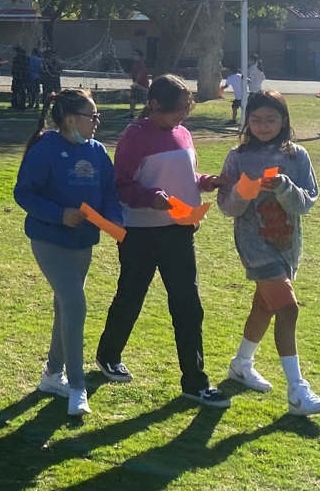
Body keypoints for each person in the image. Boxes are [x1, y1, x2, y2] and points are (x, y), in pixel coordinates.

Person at [96, 74, 231, 409]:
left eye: (185, 111)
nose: (181, 118)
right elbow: (121, 184)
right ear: (155, 105)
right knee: (131, 296)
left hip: (180, 231)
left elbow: (186, 176)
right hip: (141, 232)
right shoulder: (135, 136)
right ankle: (108, 355)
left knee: (188, 305)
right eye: (175, 113)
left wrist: (206, 181)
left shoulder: (183, 133)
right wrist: (150, 197)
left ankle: (194, 382)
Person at [217, 90, 320, 416]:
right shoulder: (238, 157)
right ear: (246, 121)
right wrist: (243, 189)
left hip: (287, 245)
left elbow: (305, 203)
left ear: (283, 121)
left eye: (270, 119)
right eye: (255, 119)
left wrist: (282, 185)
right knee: (288, 308)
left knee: (264, 307)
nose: (262, 126)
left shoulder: (297, 156)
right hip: (255, 246)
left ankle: (241, 364)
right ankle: (297, 391)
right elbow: (227, 207)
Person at [14, 88, 122, 416]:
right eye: (92, 116)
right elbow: (24, 194)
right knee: (76, 305)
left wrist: (116, 225)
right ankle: (77, 386)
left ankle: (51, 374)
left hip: (82, 244)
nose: (96, 122)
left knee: (66, 307)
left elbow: (110, 193)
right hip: (50, 241)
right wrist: (60, 214)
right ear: (71, 119)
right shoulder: (46, 149)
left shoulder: (98, 151)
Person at [129, 49, 149, 119]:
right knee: (132, 99)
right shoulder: (136, 63)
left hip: (141, 85)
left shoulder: (139, 63)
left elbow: (139, 74)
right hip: (137, 85)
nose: (133, 56)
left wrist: (136, 83)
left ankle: (151, 112)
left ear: (140, 56)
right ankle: (131, 113)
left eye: (135, 54)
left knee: (144, 100)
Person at [11, 45, 28, 111]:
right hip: (23, 77)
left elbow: (14, 68)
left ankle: (14, 105)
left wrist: (13, 73)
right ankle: (22, 105)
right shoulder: (26, 58)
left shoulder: (16, 58)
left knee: (15, 91)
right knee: (22, 91)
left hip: (17, 77)